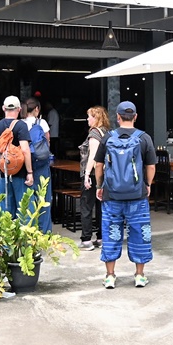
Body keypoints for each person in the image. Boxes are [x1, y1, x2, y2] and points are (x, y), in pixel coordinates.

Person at [94, 101, 155, 289]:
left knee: (111, 233)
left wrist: (99, 185)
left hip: (112, 196)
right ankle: (139, 275)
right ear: (135, 117)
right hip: (137, 195)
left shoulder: (107, 137)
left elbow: (98, 165)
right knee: (139, 232)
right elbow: (150, 166)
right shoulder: (144, 138)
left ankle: (110, 276)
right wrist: (148, 184)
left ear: (118, 117)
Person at [0, 96, 33, 218]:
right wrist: (30, 172)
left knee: (4, 212)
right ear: (19, 109)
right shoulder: (21, 126)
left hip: (3, 174)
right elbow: (25, 150)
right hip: (20, 175)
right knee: (23, 210)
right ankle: (22, 237)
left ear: (3, 108)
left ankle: (4, 237)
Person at [78, 105, 109, 251]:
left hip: (92, 174)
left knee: (86, 206)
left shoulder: (94, 134)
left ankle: (86, 239)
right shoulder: (106, 132)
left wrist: (86, 175)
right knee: (101, 206)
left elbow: (93, 156)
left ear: (96, 118)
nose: (87, 119)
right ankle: (101, 237)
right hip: (104, 175)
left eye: (89, 116)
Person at [23, 97, 53, 233]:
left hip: (25, 166)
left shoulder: (20, 124)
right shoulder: (42, 122)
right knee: (44, 198)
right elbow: (47, 142)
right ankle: (44, 230)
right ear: (36, 109)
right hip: (42, 164)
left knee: (28, 198)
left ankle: (30, 229)